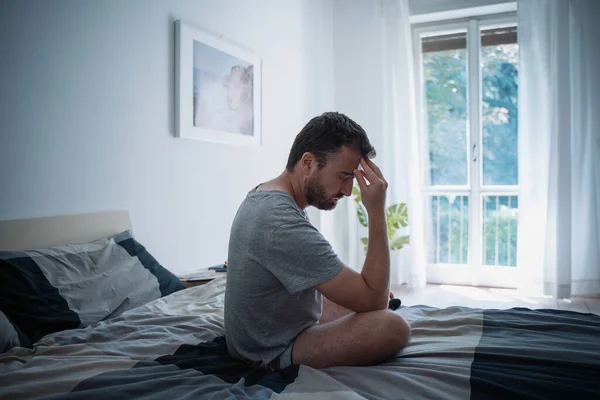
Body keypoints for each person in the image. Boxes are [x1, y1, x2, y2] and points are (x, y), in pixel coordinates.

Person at [224, 112, 411, 370]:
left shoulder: (268, 194)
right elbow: (375, 302)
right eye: (344, 176)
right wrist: (376, 211)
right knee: (392, 327)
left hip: (270, 326)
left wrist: (367, 295)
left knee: (368, 295)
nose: (348, 190)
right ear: (308, 163)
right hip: (268, 349)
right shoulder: (279, 220)